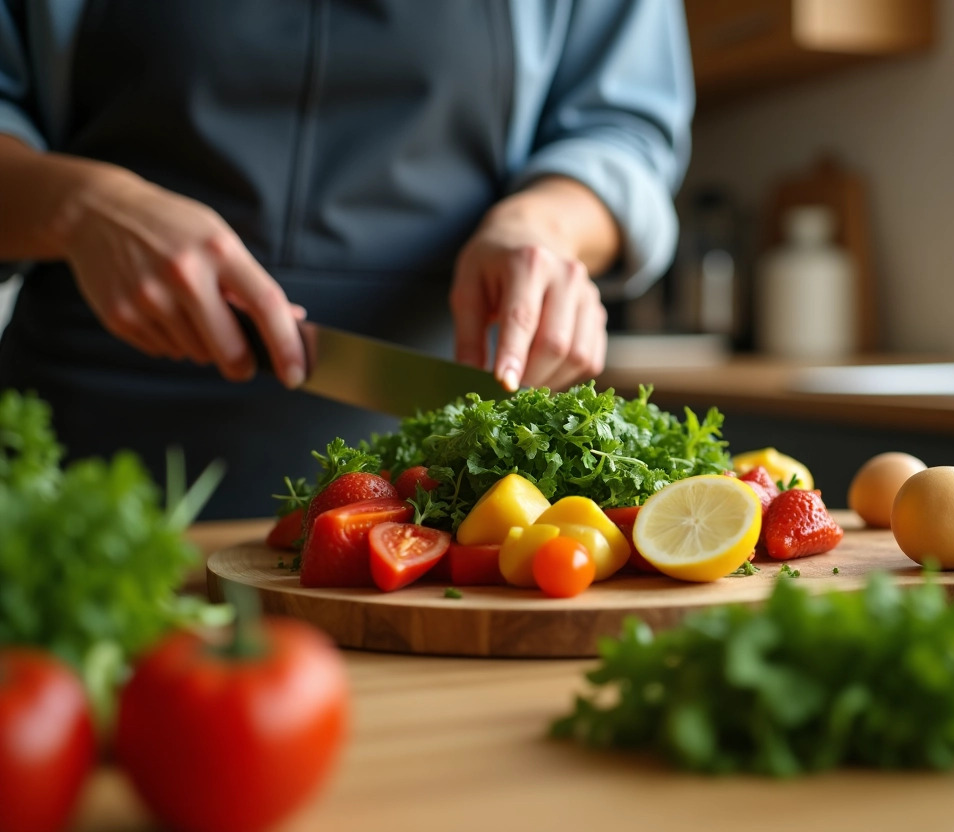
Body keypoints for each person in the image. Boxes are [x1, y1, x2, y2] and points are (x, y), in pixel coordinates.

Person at [0, 1, 694, 518]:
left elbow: (623, 127)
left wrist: (541, 223)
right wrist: (82, 206)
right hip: (84, 457)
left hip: (438, 479)